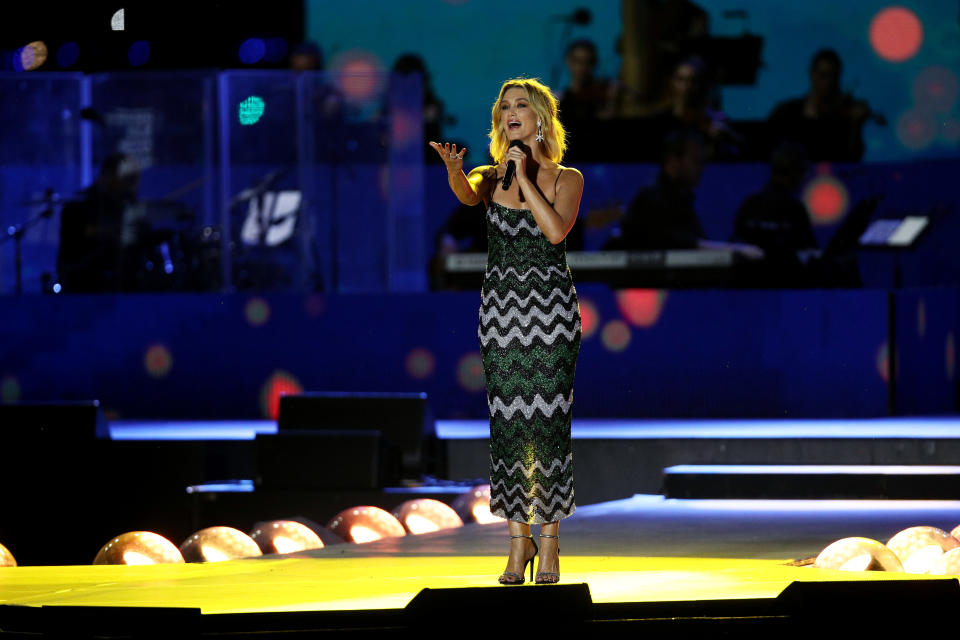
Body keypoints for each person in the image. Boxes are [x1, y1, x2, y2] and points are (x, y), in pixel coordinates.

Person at [429, 78, 583, 585]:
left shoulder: (566, 177)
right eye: (505, 107)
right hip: (501, 317)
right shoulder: (490, 176)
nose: (511, 113)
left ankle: (552, 541)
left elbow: (556, 231)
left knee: (547, 428)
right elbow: (468, 196)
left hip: (552, 317)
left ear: (540, 117)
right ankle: (518, 544)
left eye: (521, 106)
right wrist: (456, 171)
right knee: (511, 430)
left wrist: (527, 174)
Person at [609, 130, 762, 258]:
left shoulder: (682, 197)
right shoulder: (652, 197)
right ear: (673, 160)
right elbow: (681, 245)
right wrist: (736, 250)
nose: (701, 167)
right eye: (696, 160)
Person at [731, 141, 819, 286]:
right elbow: (810, 253)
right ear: (796, 172)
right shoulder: (795, 209)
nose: (805, 177)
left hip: (749, 287)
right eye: (804, 171)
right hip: (784, 287)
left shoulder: (749, 204)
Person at [768, 49, 876, 162]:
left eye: (833, 76)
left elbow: (852, 158)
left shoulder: (843, 118)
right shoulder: (786, 112)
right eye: (824, 75)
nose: (829, 82)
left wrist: (855, 125)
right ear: (812, 74)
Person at [57, 153, 141, 292]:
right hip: (83, 282)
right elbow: (74, 249)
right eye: (126, 180)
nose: (130, 186)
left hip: (121, 285)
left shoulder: (126, 206)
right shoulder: (79, 207)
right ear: (108, 176)